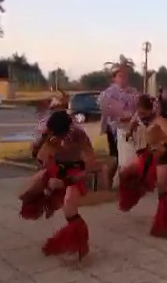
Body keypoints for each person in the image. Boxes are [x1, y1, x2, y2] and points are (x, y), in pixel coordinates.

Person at [19, 111, 97, 260]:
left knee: (69, 206)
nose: (55, 137)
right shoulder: (49, 135)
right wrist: (40, 151)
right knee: (27, 191)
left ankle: (79, 244)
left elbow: (90, 165)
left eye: (57, 134)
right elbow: (40, 158)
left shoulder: (79, 136)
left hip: (75, 173)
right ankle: (44, 203)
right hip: (56, 170)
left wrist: (67, 181)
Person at [117, 94, 167, 238]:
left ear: (150, 110)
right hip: (147, 153)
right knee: (125, 172)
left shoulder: (159, 120)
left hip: (162, 155)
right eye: (139, 111)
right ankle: (134, 194)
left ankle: (165, 223)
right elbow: (133, 124)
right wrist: (129, 133)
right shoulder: (138, 116)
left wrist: (161, 143)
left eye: (143, 112)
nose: (140, 114)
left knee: (162, 186)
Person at [99, 57, 140, 187]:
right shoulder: (108, 93)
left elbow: (139, 107)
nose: (123, 78)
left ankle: (130, 183)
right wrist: (122, 116)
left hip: (131, 127)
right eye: (120, 76)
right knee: (116, 157)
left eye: (125, 76)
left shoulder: (133, 92)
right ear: (114, 78)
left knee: (130, 155)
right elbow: (107, 110)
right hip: (115, 128)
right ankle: (107, 181)